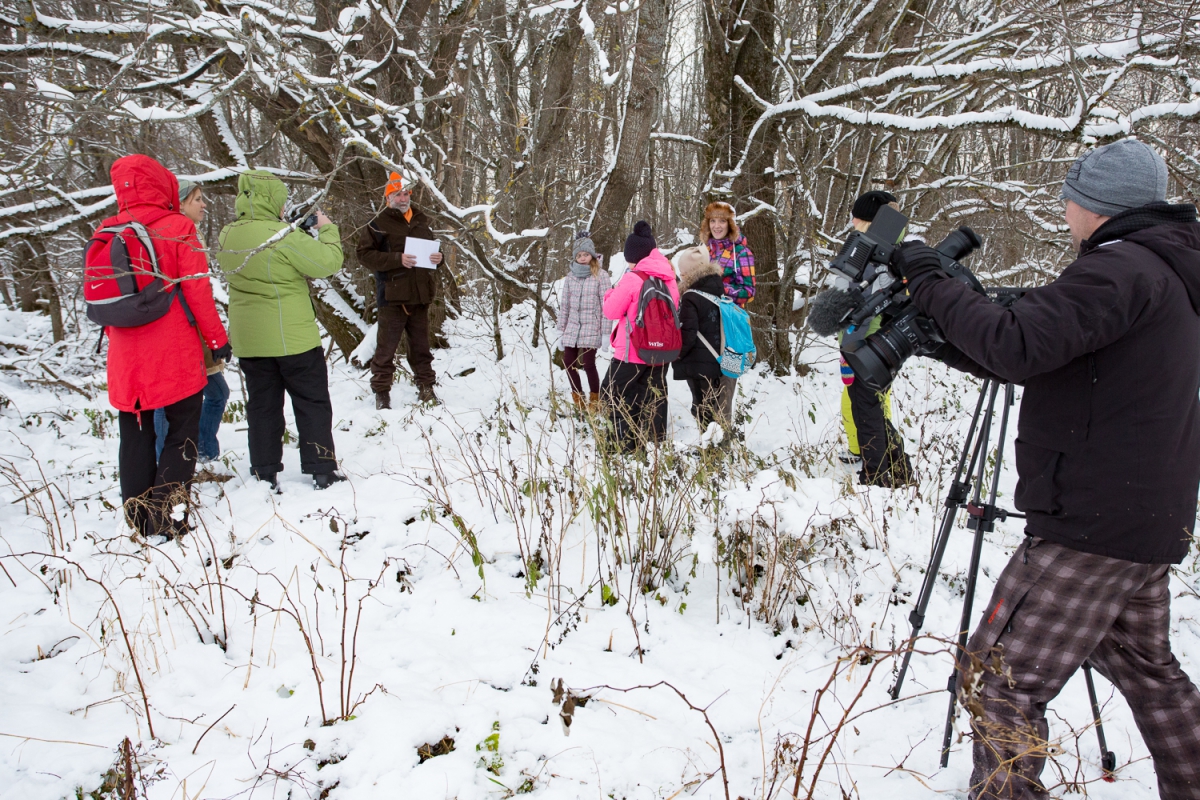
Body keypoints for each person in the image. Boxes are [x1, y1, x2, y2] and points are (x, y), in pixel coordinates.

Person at [892, 138, 1200, 799]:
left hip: (1093, 524)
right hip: (1143, 520)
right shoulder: (1163, 271)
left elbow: (1017, 342)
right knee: (1153, 675)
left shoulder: (1119, 271)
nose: (1064, 207)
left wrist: (930, 281)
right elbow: (1049, 361)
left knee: (995, 679)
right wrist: (946, 337)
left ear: (1101, 206)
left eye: (1072, 196)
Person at [97, 155, 230, 539]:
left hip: (125, 354)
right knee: (182, 430)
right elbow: (198, 291)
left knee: (135, 432)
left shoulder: (108, 230)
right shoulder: (177, 227)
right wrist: (217, 340)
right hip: (173, 351)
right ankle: (164, 515)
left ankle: (138, 517)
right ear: (163, 185)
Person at [216, 170, 345, 491]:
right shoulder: (283, 235)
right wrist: (327, 230)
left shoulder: (226, 235)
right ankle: (321, 468)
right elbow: (327, 262)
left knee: (262, 405)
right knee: (312, 401)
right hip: (294, 338)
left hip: (251, 340)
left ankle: (264, 470)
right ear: (273, 200)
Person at [154, 178, 231, 466]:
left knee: (217, 392)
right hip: (179, 329)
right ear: (181, 202)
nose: (204, 204)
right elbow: (194, 290)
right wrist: (216, 338)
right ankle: (166, 460)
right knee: (168, 399)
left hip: (194, 327)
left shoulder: (188, 231)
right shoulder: (175, 234)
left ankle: (204, 451)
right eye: (197, 199)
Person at [840, 190, 914, 487]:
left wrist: (849, 343)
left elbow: (862, 302)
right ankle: (897, 471)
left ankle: (878, 474)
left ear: (869, 221)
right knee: (871, 405)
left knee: (867, 406)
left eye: (857, 218)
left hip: (866, 342)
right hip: (883, 340)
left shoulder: (873, 252)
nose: (853, 223)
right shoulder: (896, 248)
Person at [356, 172, 444, 408]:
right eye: (397, 193)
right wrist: (397, 259)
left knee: (421, 349)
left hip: (420, 296)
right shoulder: (377, 224)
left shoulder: (421, 221)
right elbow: (363, 255)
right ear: (388, 198)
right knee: (386, 350)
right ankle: (382, 394)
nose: (403, 197)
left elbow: (432, 254)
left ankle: (426, 389)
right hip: (392, 298)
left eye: (406, 193)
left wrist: (439, 258)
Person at [600, 221, 680, 452]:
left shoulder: (633, 278)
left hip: (632, 351)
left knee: (614, 394)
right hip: (661, 352)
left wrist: (609, 293)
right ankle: (655, 444)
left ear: (632, 255)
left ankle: (623, 445)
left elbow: (611, 311)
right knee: (653, 396)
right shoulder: (669, 278)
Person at [671, 246, 734, 431]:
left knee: (703, 409)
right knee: (718, 409)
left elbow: (688, 334)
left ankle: (710, 453)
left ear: (691, 271)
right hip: (720, 360)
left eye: (683, 270)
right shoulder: (718, 289)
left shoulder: (691, 296)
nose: (681, 274)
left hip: (700, 364)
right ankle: (718, 450)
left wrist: (676, 355)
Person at [557, 230, 608, 412]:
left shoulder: (601, 275)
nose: (583, 258)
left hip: (592, 327)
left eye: (586, 254)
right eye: (579, 255)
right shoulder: (571, 277)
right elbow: (565, 305)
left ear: (592, 255)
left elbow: (606, 305)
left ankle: (595, 399)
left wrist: (605, 333)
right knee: (568, 363)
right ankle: (577, 397)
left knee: (588, 363)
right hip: (572, 327)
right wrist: (560, 330)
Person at [699, 201, 755, 307]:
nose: (716, 226)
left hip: (728, 317)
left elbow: (749, 292)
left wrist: (719, 288)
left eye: (722, 221)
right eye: (713, 221)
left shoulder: (741, 253)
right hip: (704, 314)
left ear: (730, 224)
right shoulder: (705, 249)